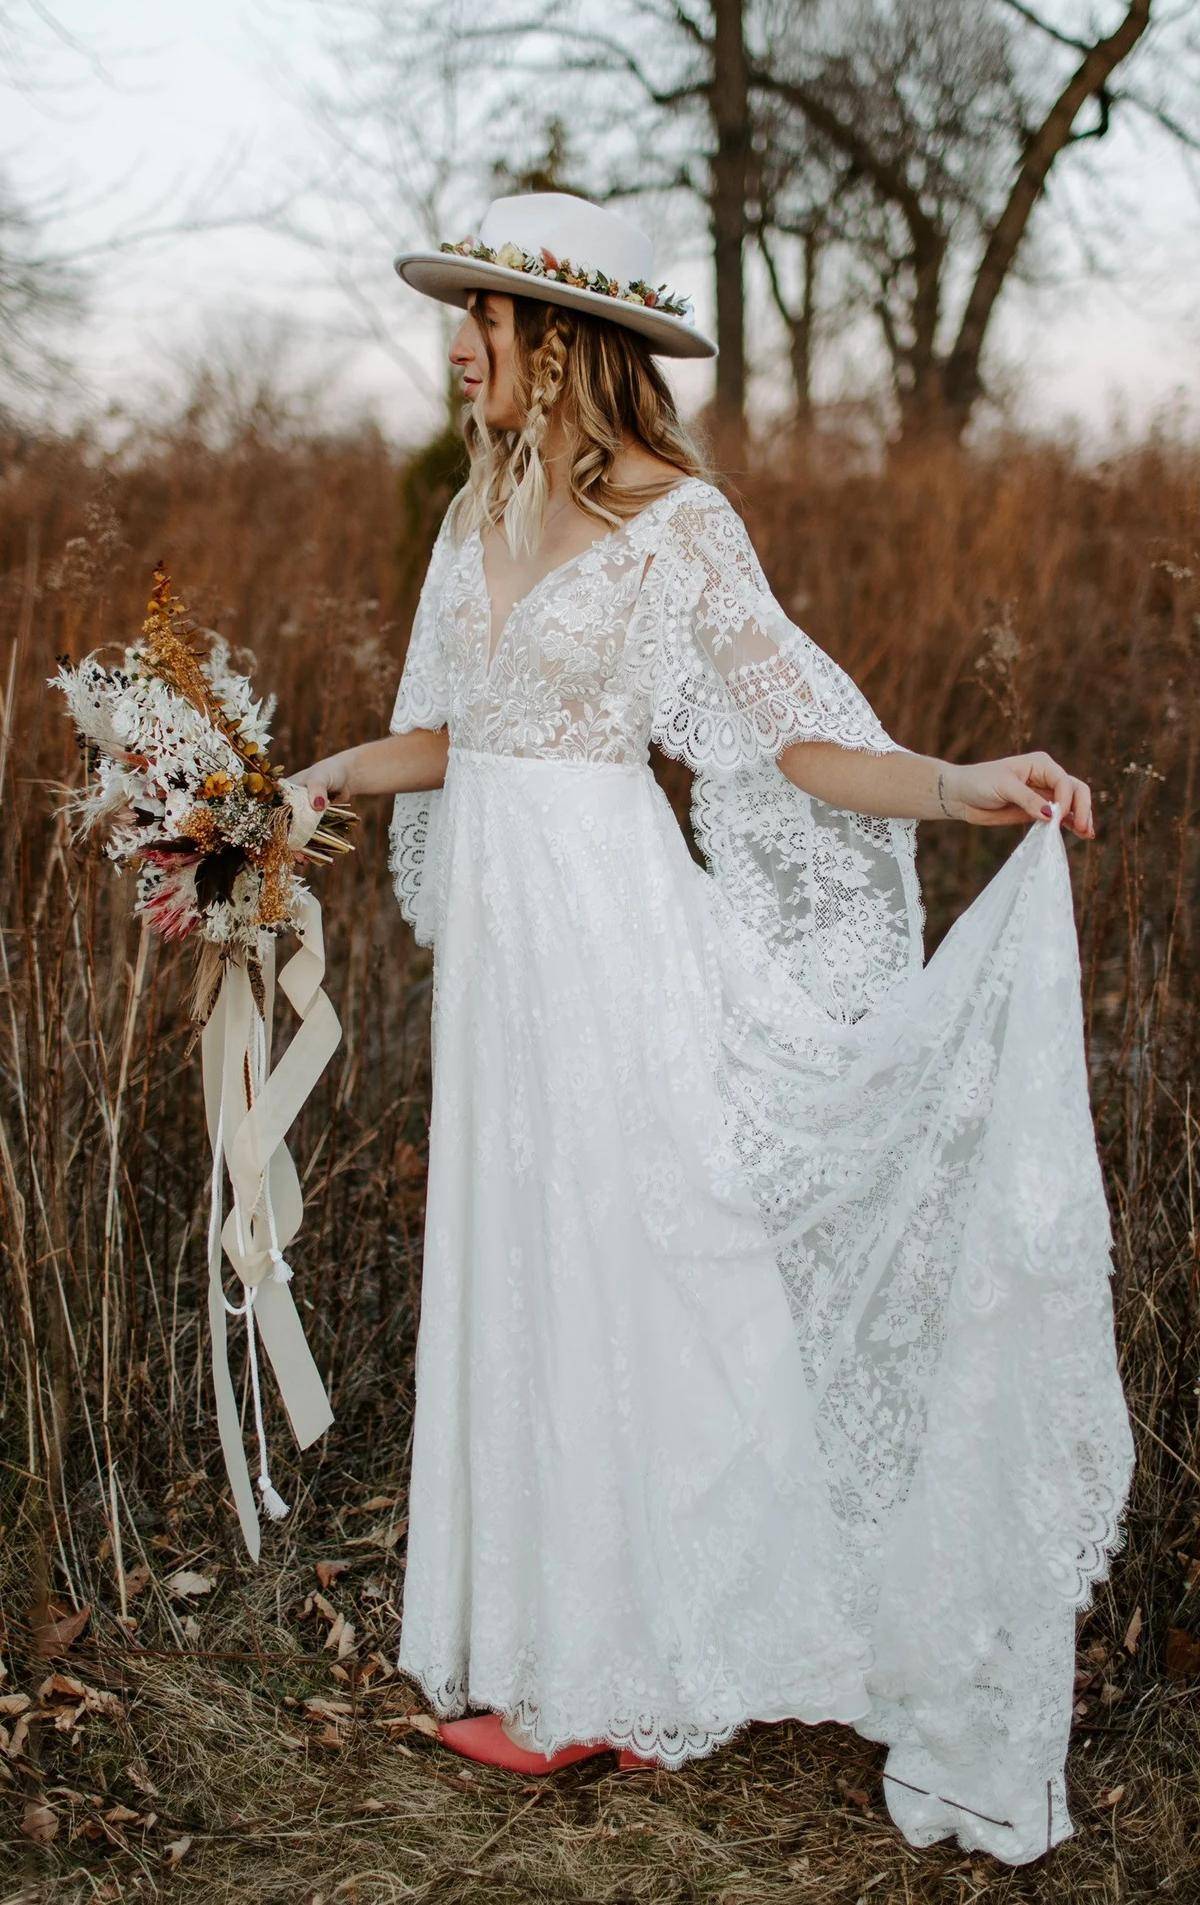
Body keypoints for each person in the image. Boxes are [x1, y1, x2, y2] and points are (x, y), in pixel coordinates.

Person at [293, 192, 1134, 1866]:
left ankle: (637, 1653)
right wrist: (313, 778)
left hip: (618, 937)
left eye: (483, 317)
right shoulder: (473, 522)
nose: (458, 343)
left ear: (560, 339)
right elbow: (452, 735)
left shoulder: (677, 523)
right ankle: (556, 1631)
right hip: (510, 965)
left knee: (641, 1256)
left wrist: (961, 782)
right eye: (458, 313)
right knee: (533, 1255)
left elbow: (791, 736)